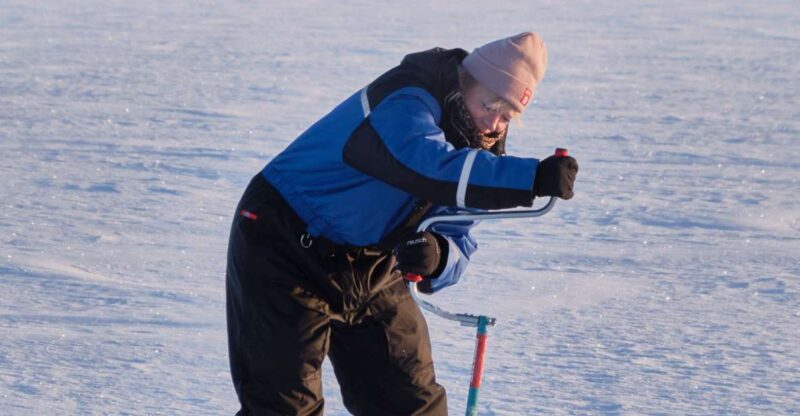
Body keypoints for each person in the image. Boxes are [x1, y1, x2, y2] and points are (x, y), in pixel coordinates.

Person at [226, 32, 578, 415]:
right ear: (465, 82)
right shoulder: (407, 95)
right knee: (284, 406)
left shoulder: (480, 151)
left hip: (372, 266)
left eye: (506, 115)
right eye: (489, 104)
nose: (493, 122)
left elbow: (456, 230)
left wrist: (438, 255)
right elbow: (424, 163)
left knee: (411, 404)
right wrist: (528, 179)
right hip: (283, 242)